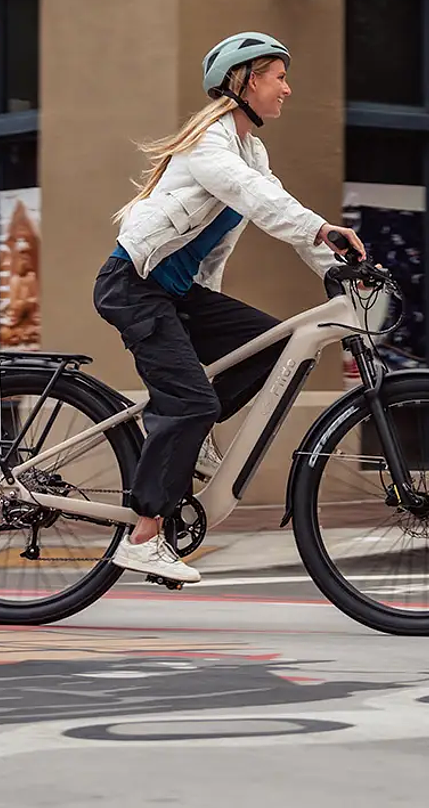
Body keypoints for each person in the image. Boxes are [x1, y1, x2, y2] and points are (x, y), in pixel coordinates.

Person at [93, 32, 363, 584]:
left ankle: (183, 442)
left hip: (181, 294)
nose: (287, 88)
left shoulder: (251, 149)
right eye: (279, 76)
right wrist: (321, 226)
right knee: (190, 403)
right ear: (244, 81)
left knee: (278, 345)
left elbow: (282, 214)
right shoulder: (210, 145)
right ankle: (143, 536)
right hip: (135, 286)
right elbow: (257, 199)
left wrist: (335, 267)